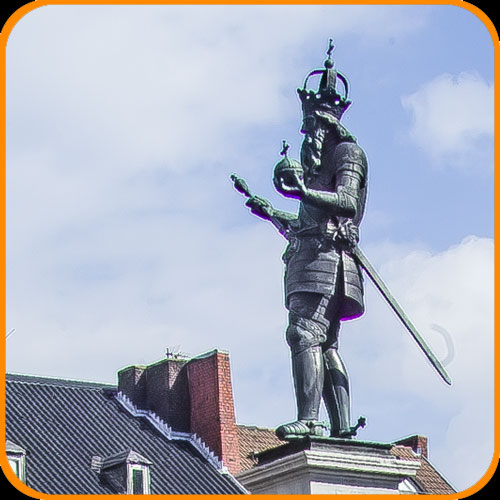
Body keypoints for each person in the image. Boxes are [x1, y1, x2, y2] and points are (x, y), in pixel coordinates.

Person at [244, 45, 368, 439]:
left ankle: (312, 419)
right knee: (323, 343)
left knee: (305, 334)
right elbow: (305, 224)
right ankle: (341, 426)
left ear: (326, 122)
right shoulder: (314, 172)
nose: (306, 135)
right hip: (310, 253)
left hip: (328, 261)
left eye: (310, 125)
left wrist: (301, 191)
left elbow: (347, 202)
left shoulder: (347, 153)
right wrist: (271, 212)